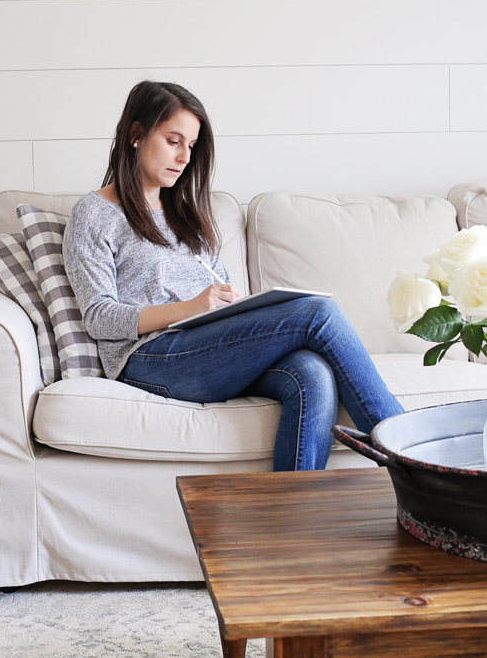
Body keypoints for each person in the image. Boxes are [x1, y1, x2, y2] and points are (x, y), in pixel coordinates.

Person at [63, 80, 403, 471]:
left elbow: (215, 289)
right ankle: (408, 452)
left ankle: (291, 523)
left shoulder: (184, 213)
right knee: (318, 313)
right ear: (137, 134)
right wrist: (190, 307)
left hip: (209, 348)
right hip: (152, 357)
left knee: (312, 373)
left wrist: (233, 307)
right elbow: (99, 316)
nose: (184, 157)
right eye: (174, 141)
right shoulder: (95, 214)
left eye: (190, 147)